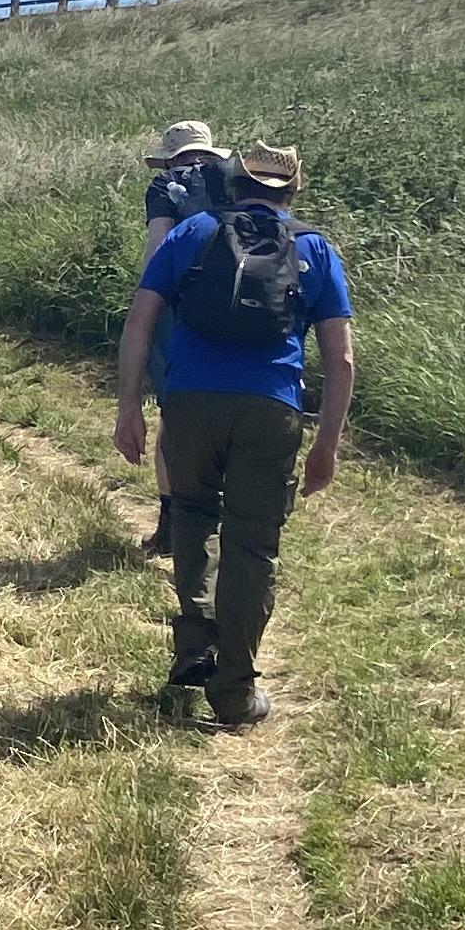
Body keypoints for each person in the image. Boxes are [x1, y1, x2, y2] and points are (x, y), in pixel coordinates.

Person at [111, 143, 353, 727]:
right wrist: (327, 444)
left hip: (190, 402)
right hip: (270, 409)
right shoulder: (314, 248)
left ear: (233, 182)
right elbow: (340, 359)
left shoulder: (191, 231)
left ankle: (195, 646)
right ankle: (235, 693)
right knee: (252, 543)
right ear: (293, 190)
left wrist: (129, 407)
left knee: (193, 515)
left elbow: (139, 323)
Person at [135, 123, 232, 556]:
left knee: (174, 414)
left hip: (180, 312)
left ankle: (171, 525)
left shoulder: (167, 186)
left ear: (172, 157)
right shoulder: (239, 182)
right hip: (241, 308)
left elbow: (158, 252)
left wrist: (145, 307)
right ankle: (225, 516)